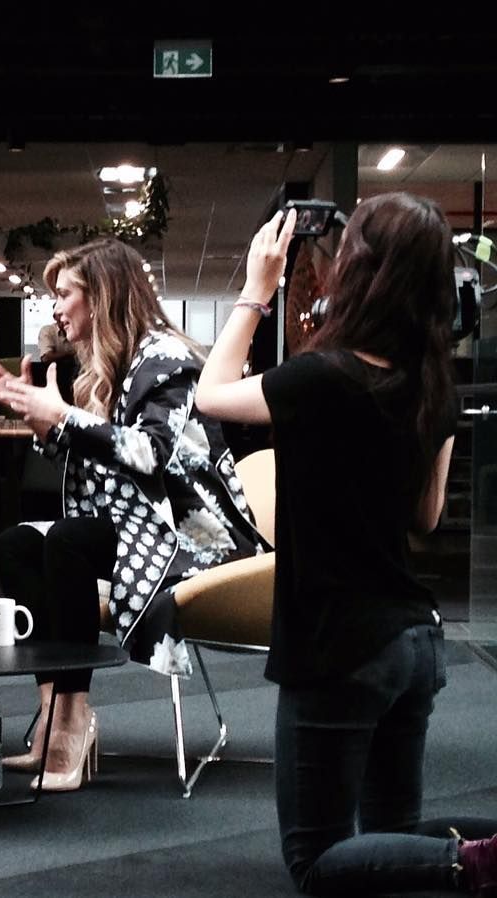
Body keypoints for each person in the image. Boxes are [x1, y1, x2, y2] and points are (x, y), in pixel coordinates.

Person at [195, 195, 497, 895]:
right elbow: (426, 516)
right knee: (395, 840)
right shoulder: (434, 387)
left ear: (361, 272)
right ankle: (475, 853)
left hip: (339, 644)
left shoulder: (321, 377)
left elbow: (210, 396)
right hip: (414, 641)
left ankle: (476, 859)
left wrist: (256, 291)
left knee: (316, 860)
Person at [0, 238, 265, 791]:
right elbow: (104, 460)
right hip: (138, 527)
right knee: (16, 543)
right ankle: (55, 713)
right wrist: (47, 426)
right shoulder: (113, 363)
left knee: (67, 542)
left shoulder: (169, 360)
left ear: (101, 296)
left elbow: (151, 453)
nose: (56, 309)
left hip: (192, 536)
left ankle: (73, 721)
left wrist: (64, 418)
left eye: (65, 294)